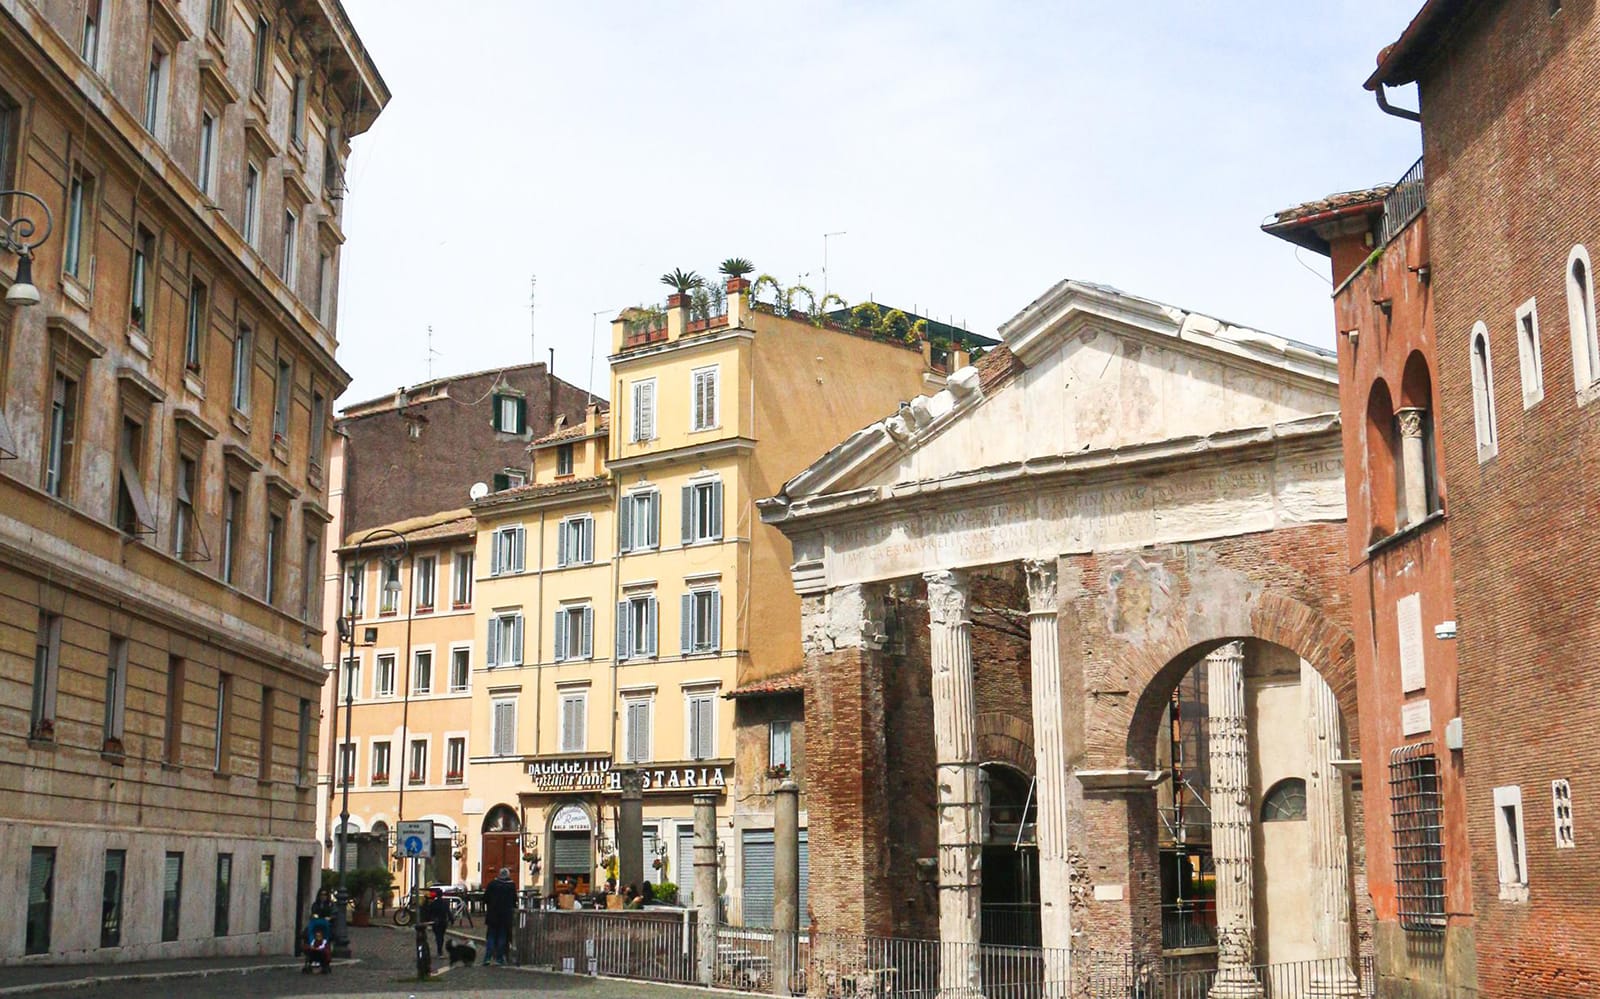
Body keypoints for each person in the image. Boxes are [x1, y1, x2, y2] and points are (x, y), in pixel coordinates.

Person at [483, 867, 517, 966]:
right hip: (505, 916)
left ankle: (487, 958)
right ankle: (499, 958)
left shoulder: (492, 884)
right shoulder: (511, 886)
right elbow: (514, 900)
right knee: (502, 937)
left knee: (491, 937)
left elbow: (485, 898)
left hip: (493, 915)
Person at [422, 887, 451, 957]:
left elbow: (429, 912)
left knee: (438, 936)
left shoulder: (433, 903)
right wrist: (451, 919)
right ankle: (440, 950)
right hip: (443, 922)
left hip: (435, 922)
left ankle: (439, 950)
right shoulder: (445, 903)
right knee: (441, 936)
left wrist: (427, 920)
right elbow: (448, 912)